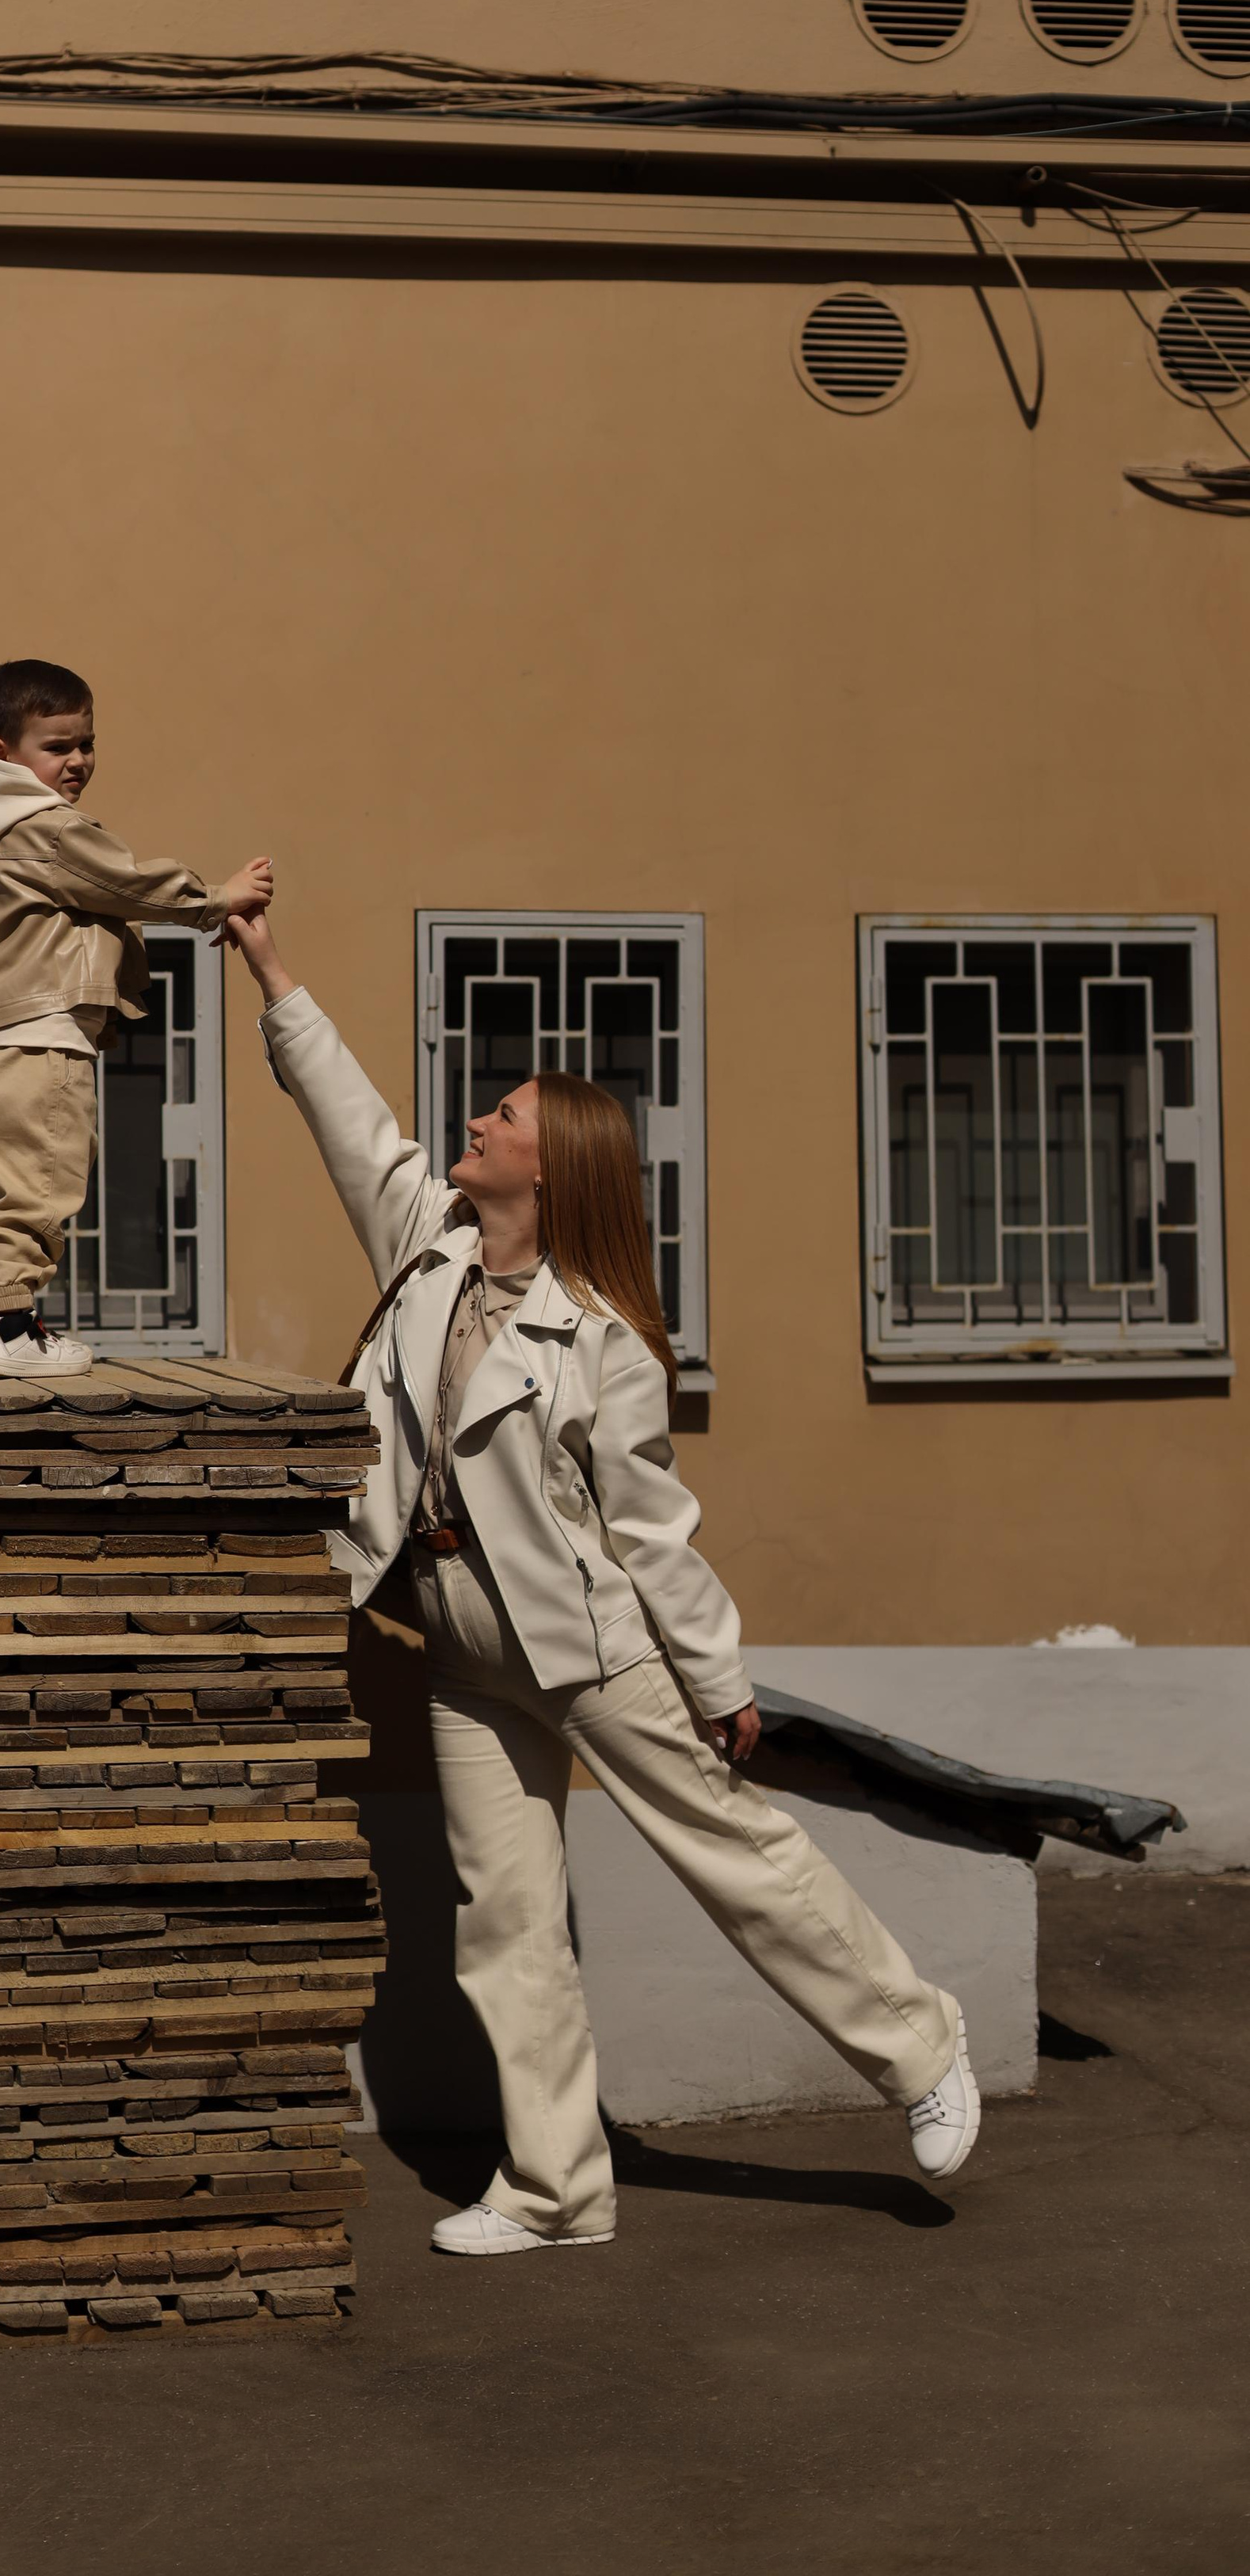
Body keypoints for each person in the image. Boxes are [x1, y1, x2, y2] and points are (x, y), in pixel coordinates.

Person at [226, 911, 980, 2255]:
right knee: (505, 1920)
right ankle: (556, 2188)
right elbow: (347, 1113)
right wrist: (272, 974)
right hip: (459, 1643)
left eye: (503, 1113)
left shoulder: (607, 1338)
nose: (476, 1119)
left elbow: (652, 1531)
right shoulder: (426, 1244)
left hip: (593, 1647)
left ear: (551, 1161)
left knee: (739, 1861)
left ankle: (920, 2045)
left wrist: (718, 1683)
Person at [0, 657, 274, 1378]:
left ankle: (8, 1320)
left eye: (87, 743)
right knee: (42, 1178)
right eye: (58, 747)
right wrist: (216, 896)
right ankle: (12, 1333)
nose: (79, 760)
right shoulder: (44, 828)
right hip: (39, 1036)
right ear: (2, 754)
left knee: (1, 1185)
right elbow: (123, 881)